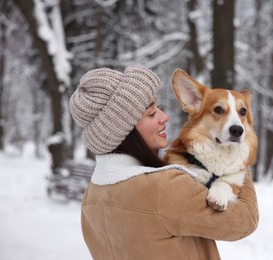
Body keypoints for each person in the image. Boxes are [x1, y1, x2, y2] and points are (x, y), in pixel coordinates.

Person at [69, 65, 259, 260]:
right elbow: (245, 220)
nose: (164, 117)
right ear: (125, 132)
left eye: (159, 108)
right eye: (152, 114)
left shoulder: (91, 196)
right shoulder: (164, 187)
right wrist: (238, 159)